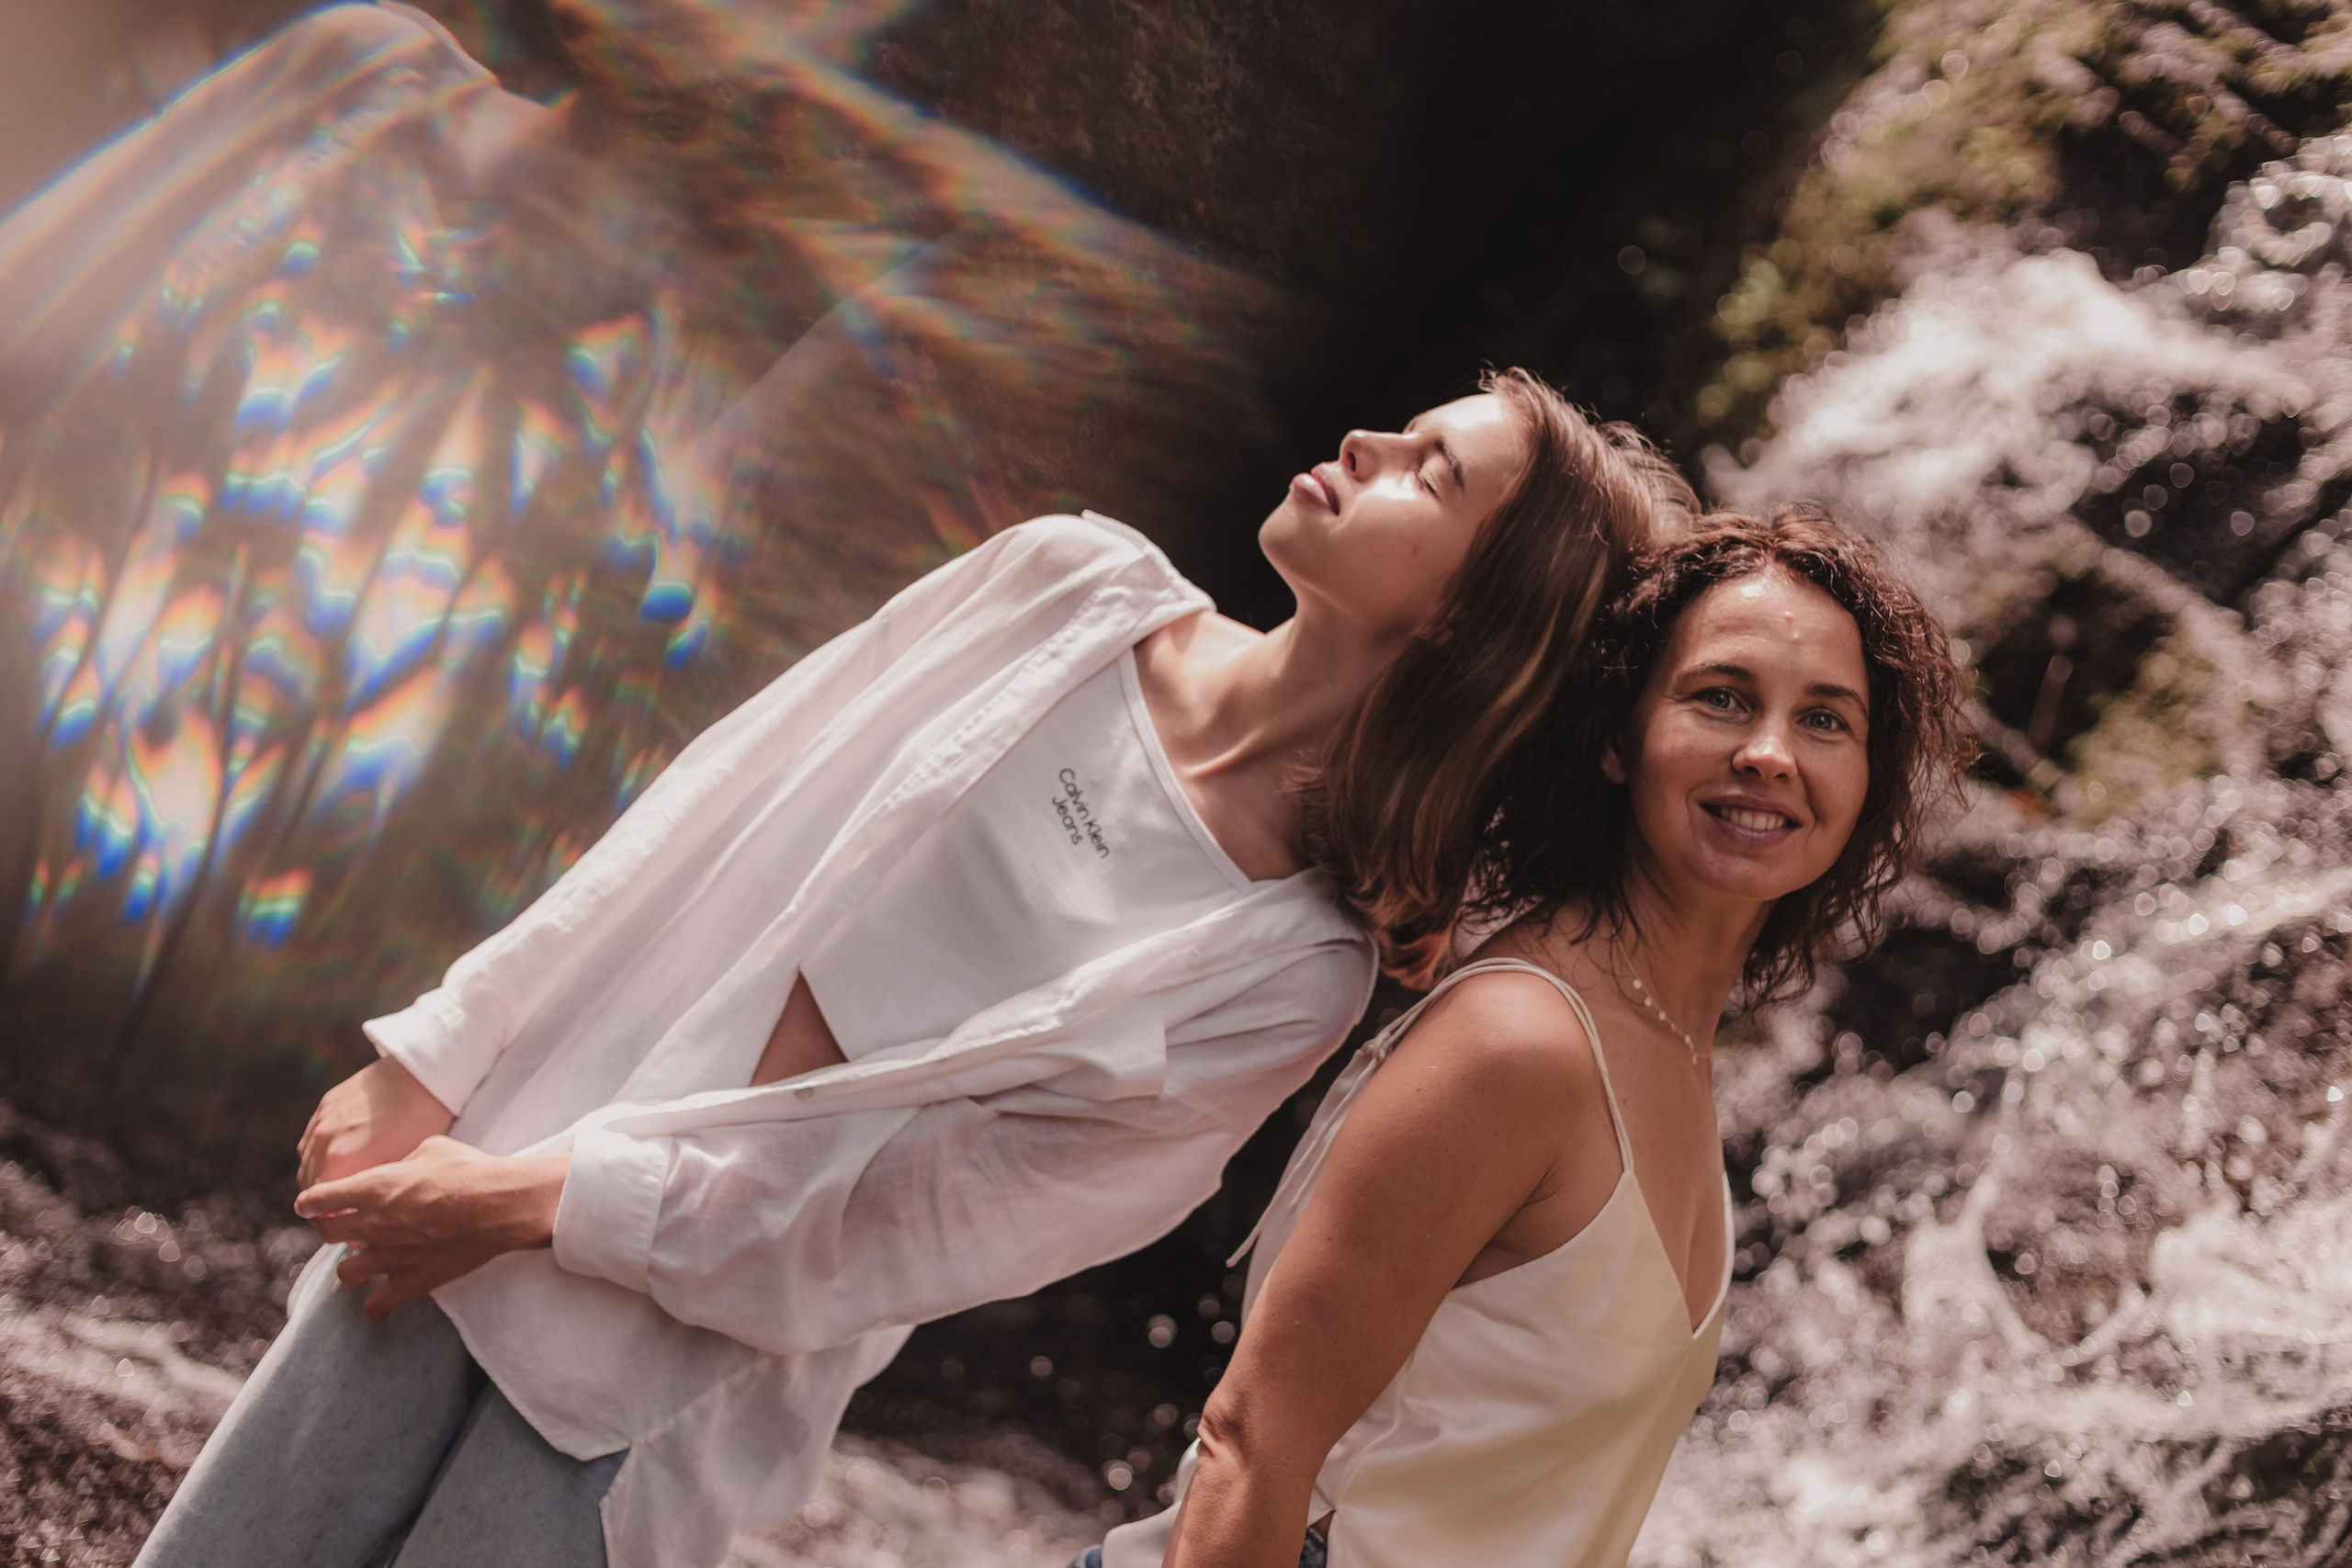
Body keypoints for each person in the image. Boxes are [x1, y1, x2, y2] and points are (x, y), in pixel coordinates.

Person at [133, 367, 1696, 1568]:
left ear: (1480, 627)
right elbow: (711, 798)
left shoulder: (1290, 970)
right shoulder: (1067, 585)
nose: (1366, 443)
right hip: (455, 1197)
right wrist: (435, 1050)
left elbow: (927, 1227)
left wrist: (539, 1200)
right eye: (1404, 427)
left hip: (642, 1401)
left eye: (1432, 471)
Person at [1091, 504, 1972, 1568]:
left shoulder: (1667, 1043)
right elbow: (1253, 1444)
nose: (1769, 754)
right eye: (1721, 698)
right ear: (1616, 736)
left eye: (1825, 719)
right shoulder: (1519, 1043)